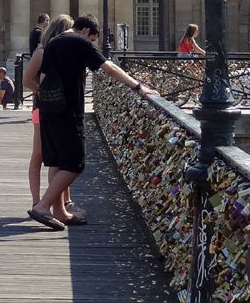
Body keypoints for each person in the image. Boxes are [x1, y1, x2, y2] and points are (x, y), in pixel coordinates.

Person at [27, 13, 155, 230]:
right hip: (69, 111)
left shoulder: (54, 42)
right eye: (93, 39)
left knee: (58, 161)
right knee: (75, 163)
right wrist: (137, 86)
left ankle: (60, 212)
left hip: (49, 108)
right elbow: (110, 67)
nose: (92, 43)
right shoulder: (79, 42)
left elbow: (42, 78)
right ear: (86, 31)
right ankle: (43, 206)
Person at [23, 14, 75, 213]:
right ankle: (39, 202)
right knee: (40, 154)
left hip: (49, 107)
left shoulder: (56, 51)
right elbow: (27, 81)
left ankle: (61, 200)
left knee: (58, 155)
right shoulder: (44, 51)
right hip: (42, 108)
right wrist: (42, 92)